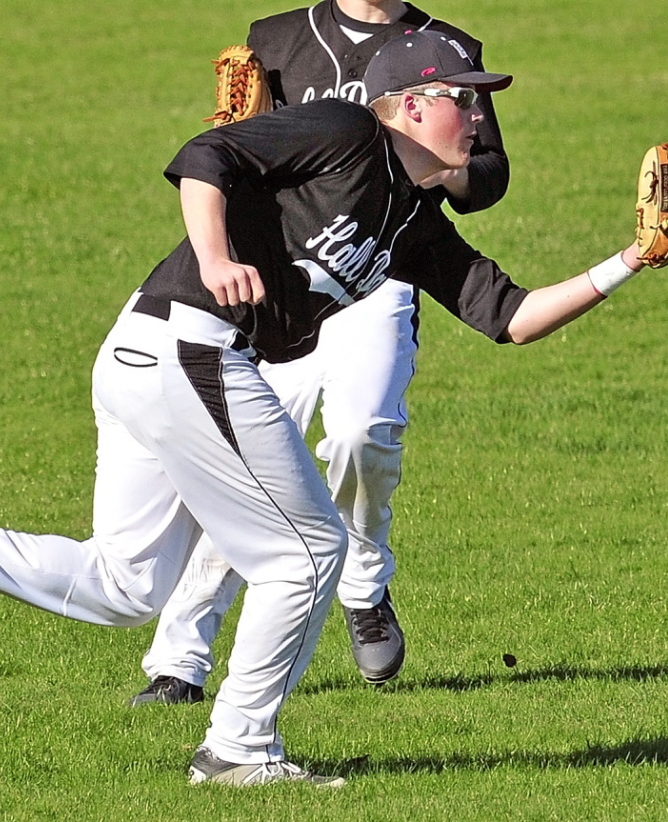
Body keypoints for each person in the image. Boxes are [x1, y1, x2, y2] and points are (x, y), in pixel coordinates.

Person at [0, 31, 663, 786]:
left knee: (126, 584)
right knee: (305, 555)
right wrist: (218, 255)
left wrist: (635, 257)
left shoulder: (412, 222)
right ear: (408, 106)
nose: (476, 117)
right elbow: (203, 155)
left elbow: (508, 317)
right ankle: (238, 749)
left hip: (159, 356)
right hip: (188, 344)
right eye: (462, 97)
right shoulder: (345, 133)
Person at [130, 0, 510, 706]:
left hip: (383, 272)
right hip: (280, 284)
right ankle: (179, 659)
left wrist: (432, 165)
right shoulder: (274, 37)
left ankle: (363, 582)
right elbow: (245, 153)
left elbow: (487, 176)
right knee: (246, 466)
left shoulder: (445, 46)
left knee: (364, 433)